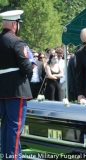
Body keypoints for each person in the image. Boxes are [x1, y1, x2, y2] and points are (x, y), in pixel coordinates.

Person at [0, 10, 33, 160]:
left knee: (6, 127)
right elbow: (26, 67)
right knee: (15, 128)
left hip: (2, 89)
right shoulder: (17, 42)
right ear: (14, 24)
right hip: (16, 88)